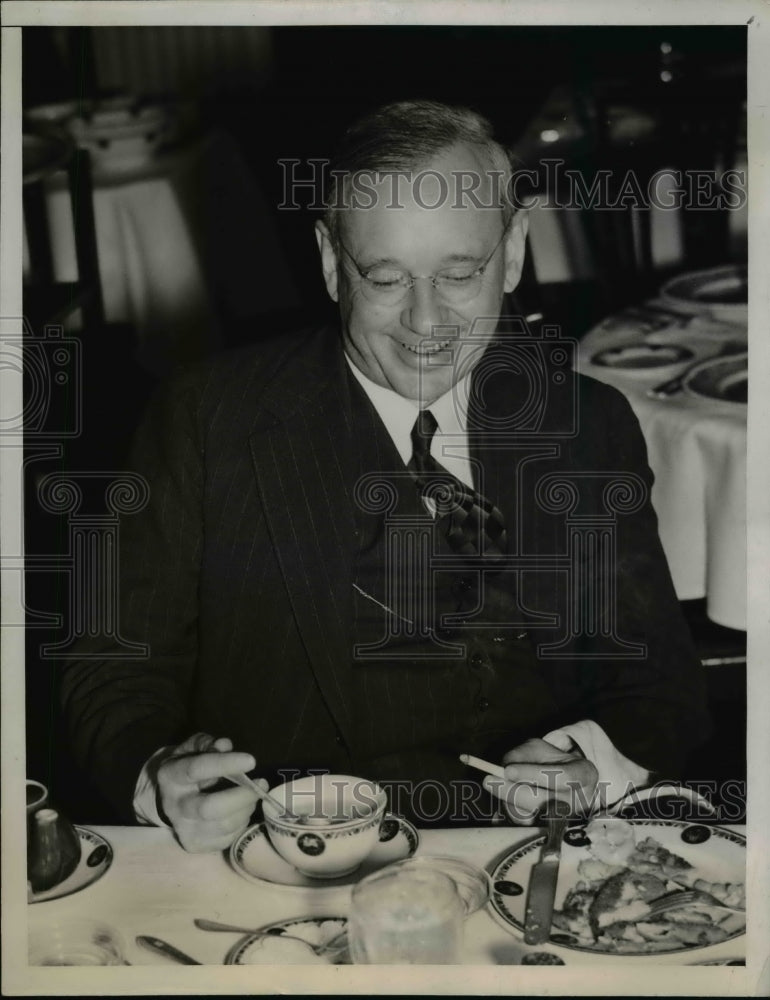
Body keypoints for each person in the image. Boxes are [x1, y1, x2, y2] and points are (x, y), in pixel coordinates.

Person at [61, 100, 710, 852]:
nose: (426, 321)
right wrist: (158, 775)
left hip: (526, 860)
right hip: (293, 863)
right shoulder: (206, 419)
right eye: (386, 278)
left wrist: (589, 764)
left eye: (460, 274)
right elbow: (111, 667)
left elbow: (663, 690)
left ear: (514, 252)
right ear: (334, 263)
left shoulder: (589, 423)